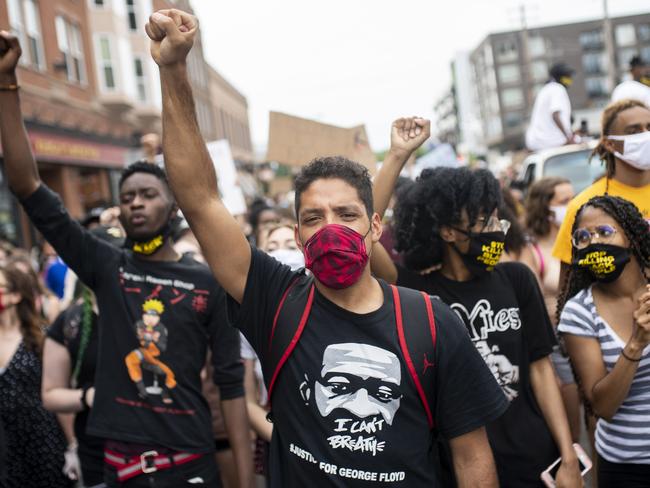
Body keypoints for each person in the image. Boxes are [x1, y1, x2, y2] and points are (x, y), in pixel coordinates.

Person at [146, 9, 510, 487]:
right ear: (297, 237)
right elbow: (199, 199)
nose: (330, 229)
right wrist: (173, 71)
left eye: (347, 215)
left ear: (376, 227)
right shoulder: (276, 302)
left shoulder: (432, 321)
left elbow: (471, 458)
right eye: (313, 218)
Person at [0, 32, 253, 487]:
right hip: (118, 468)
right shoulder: (107, 265)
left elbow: (231, 383)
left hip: (190, 465)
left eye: (149, 195)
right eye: (128, 196)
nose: (136, 202)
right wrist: (6, 84)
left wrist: (243, 478)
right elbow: (26, 187)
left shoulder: (208, 281)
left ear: (173, 207)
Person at [370, 118, 583, 486]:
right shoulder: (418, 293)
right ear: (448, 231)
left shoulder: (517, 279)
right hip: (463, 468)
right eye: (483, 222)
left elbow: (541, 370)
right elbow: (363, 236)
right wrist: (396, 156)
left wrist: (567, 454)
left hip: (534, 459)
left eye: (496, 220)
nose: (494, 231)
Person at [556, 195, 650, 487]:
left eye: (604, 232)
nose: (594, 242)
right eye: (583, 237)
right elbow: (604, 407)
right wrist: (636, 344)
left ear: (631, 237)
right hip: (628, 468)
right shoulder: (579, 312)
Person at [42, 225, 125, 488]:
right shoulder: (70, 323)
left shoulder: (147, 312)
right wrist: (87, 396)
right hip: (99, 455)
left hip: (158, 448)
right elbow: (50, 393)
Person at [552, 99, 650, 281]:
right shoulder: (584, 204)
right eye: (633, 131)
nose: (645, 135)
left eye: (649, 127)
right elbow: (567, 288)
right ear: (610, 144)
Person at [0, 262, 71, 488]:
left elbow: (58, 391)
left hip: (44, 441)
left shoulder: (39, 338)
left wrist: (73, 444)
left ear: (15, 295)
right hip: (6, 446)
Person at [524, 177, 581, 442]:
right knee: (571, 427)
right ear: (544, 207)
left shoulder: (581, 236)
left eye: (573, 197)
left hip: (587, 333)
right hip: (557, 341)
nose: (572, 205)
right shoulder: (531, 250)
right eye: (564, 201)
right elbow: (533, 307)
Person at [526, 62, 576, 151]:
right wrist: (568, 137)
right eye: (568, 77)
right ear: (561, 77)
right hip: (551, 142)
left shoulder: (546, 89)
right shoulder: (558, 89)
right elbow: (555, 114)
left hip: (539, 142)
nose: (570, 80)